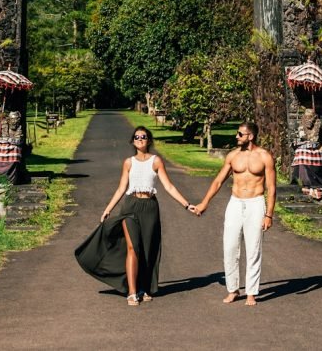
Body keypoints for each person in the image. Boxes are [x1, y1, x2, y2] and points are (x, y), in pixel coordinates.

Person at [74, 125, 196, 306]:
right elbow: (122, 188)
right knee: (133, 248)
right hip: (131, 207)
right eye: (137, 137)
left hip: (150, 207)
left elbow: (169, 187)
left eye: (144, 137)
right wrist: (108, 208)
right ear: (133, 141)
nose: (140, 139)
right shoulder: (128, 162)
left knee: (148, 249)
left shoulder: (156, 161)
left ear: (149, 140)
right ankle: (132, 292)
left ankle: (143, 288)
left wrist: (187, 205)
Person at [194, 121, 276, 306]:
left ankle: (251, 293)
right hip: (235, 203)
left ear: (250, 136)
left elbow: (271, 188)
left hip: (255, 203)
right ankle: (233, 290)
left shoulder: (264, 157)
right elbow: (218, 181)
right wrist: (205, 203)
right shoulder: (232, 156)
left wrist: (269, 215)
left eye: (240, 134)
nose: (236, 136)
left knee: (253, 248)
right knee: (229, 247)